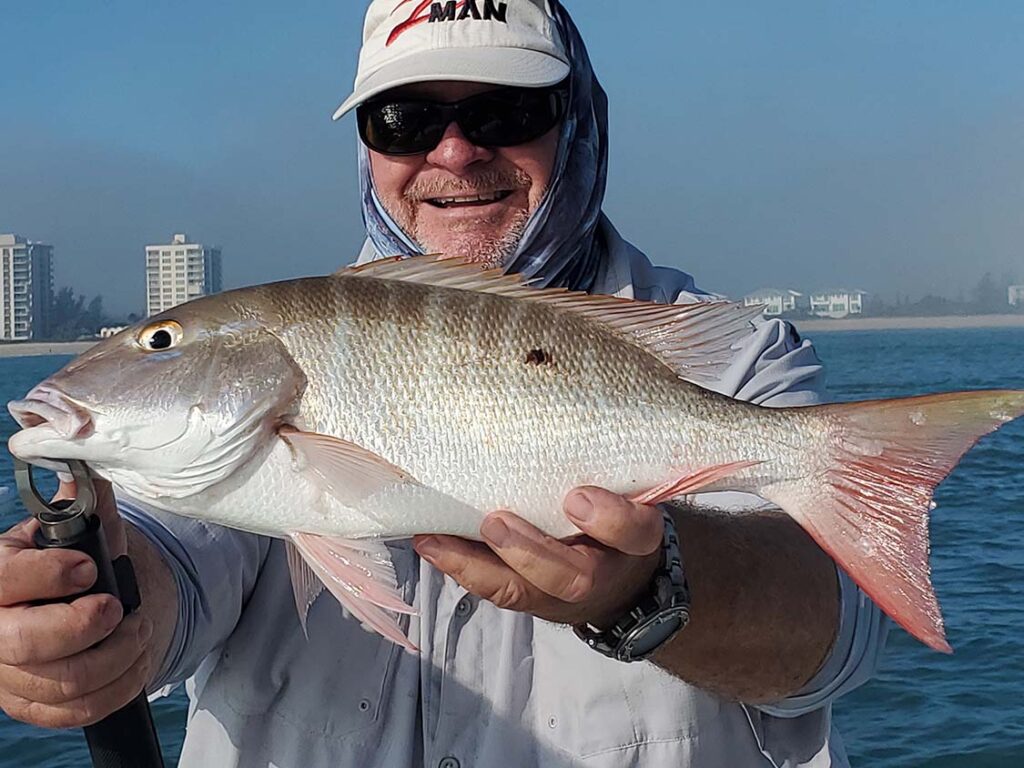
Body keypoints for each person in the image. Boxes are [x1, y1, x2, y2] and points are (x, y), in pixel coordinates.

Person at [0, 1, 888, 765]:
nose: (456, 153)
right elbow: (183, 557)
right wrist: (105, 618)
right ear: (364, 145)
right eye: (405, 120)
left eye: (506, 111)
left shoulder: (730, 354)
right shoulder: (268, 368)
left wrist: (654, 584)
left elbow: (836, 638)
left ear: (579, 118)